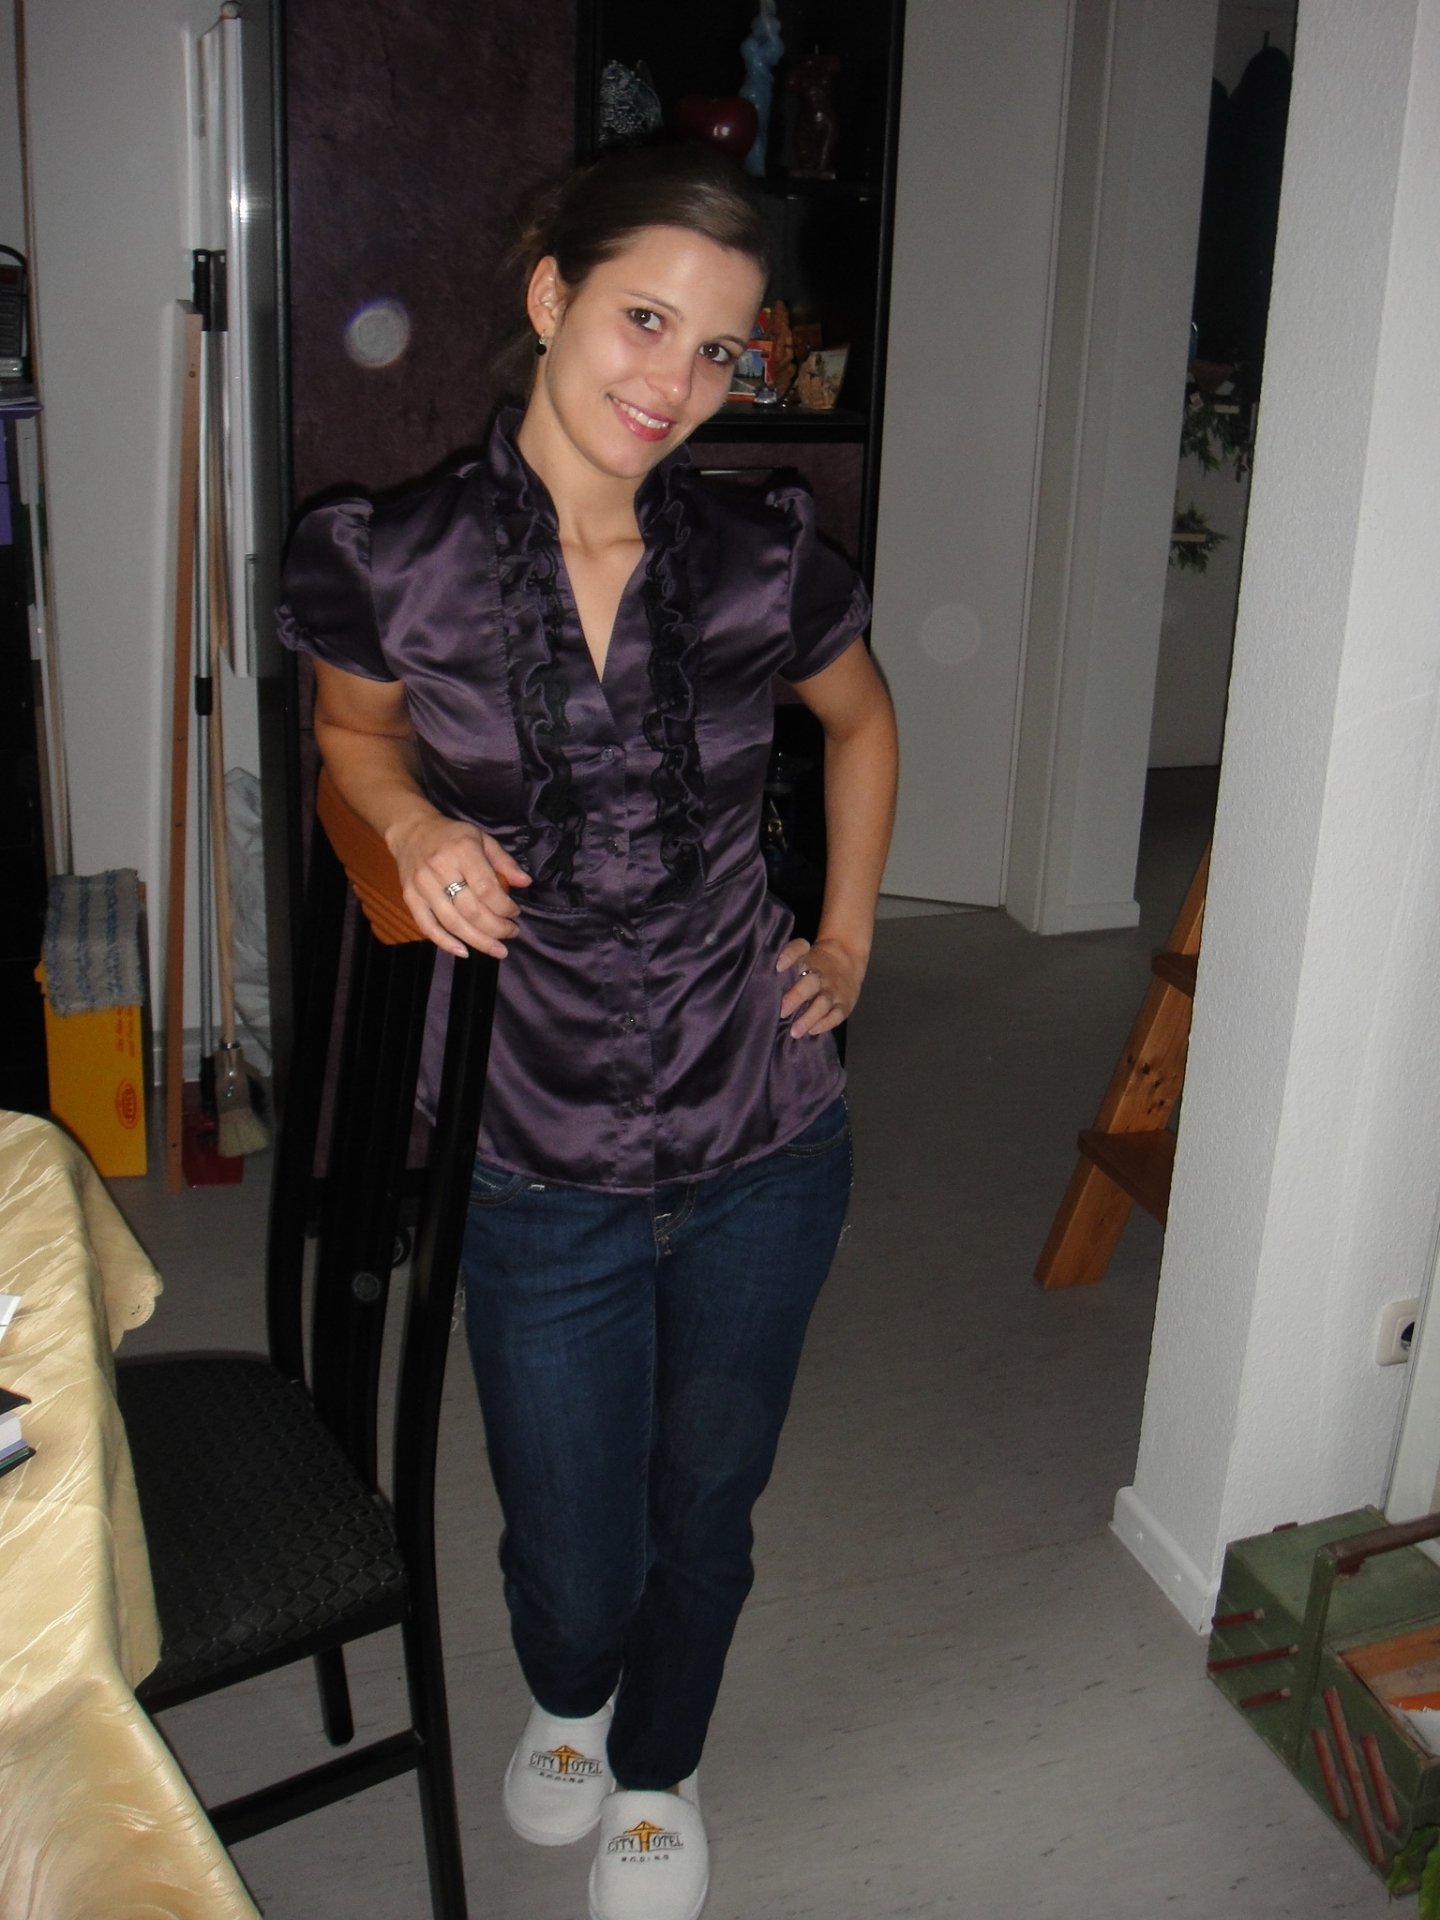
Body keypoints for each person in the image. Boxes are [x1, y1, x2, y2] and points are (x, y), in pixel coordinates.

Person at [278, 142, 898, 1920]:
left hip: (765, 1123)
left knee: (708, 1498)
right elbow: (352, 738)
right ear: (551, 297)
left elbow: (861, 724)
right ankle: (569, 1688)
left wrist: (847, 938)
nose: (674, 381)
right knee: (566, 1525)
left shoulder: (760, 556)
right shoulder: (394, 562)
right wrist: (408, 821)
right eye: (644, 320)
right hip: (529, 1135)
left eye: (719, 351)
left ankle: (657, 1763)